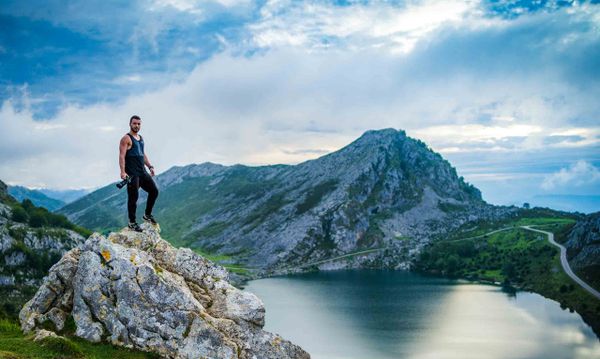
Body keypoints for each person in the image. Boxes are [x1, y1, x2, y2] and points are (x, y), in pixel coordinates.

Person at [119, 115, 159, 232]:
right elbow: (121, 156)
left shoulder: (140, 138)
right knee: (133, 198)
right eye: (134, 123)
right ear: (130, 124)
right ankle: (132, 223)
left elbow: (142, 154)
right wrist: (122, 172)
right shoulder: (126, 139)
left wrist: (150, 166)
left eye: (138, 124)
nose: (136, 126)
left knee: (154, 191)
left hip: (142, 172)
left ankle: (147, 215)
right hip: (132, 174)